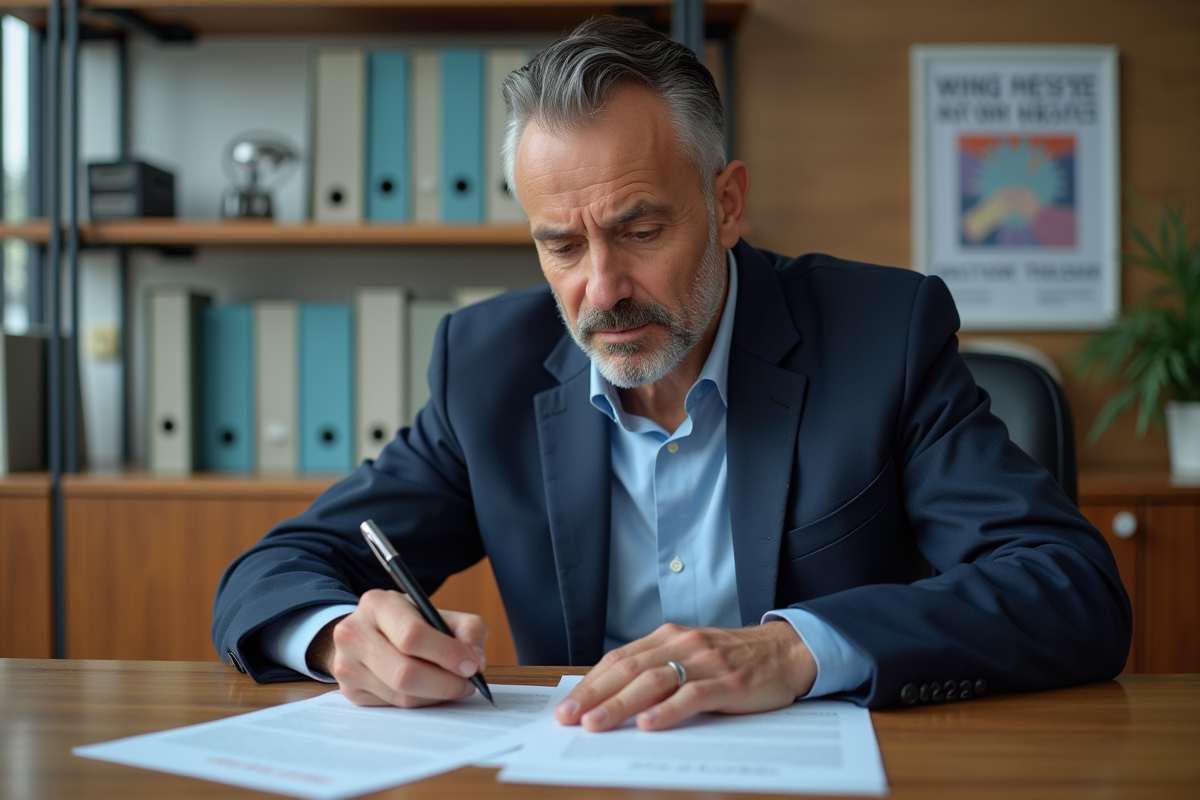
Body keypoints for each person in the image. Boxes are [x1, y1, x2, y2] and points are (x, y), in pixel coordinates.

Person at [212, 16, 1130, 732]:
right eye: (561, 245)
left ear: (726, 204)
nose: (601, 289)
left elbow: (1070, 585)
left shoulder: (880, 335)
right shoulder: (484, 367)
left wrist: (798, 650)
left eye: (640, 231)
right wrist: (341, 639)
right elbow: (274, 571)